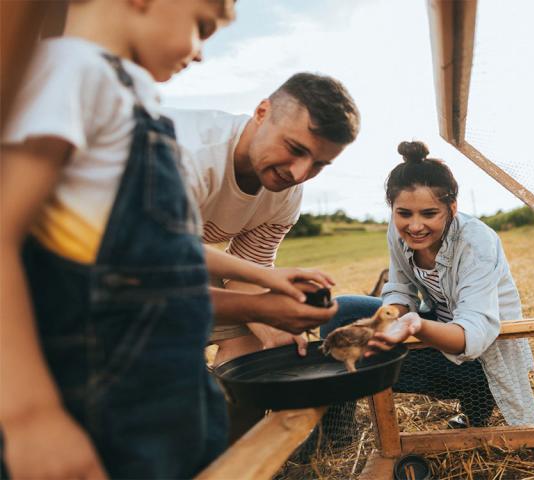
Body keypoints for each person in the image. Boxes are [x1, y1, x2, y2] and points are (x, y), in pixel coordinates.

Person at [0, 1, 241, 477]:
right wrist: (29, 416)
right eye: (203, 25)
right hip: (99, 415)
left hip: (168, 400)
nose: (199, 54)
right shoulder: (73, 71)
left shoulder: (137, 102)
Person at [323, 140, 534, 434]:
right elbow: (400, 288)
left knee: (468, 372)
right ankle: (334, 432)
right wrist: (389, 320)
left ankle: (478, 404)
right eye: (404, 214)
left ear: (451, 208)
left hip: (481, 354)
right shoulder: (397, 230)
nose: (414, 226)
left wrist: (416, 327)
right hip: (437, 324)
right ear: (393, 208)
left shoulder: (477, 243)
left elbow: (472, 332)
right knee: (341, 313)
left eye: (428, 214)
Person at [166, 72, 360, 365]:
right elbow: (156, 256)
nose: (299, 174)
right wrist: (262, 300)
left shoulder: (287, 193)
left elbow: (245, 270)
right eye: (295, 149)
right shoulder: (187, 153)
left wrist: (272, 329)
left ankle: (229, 409)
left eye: (319, 164)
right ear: (261, 112)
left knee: (251, 343)